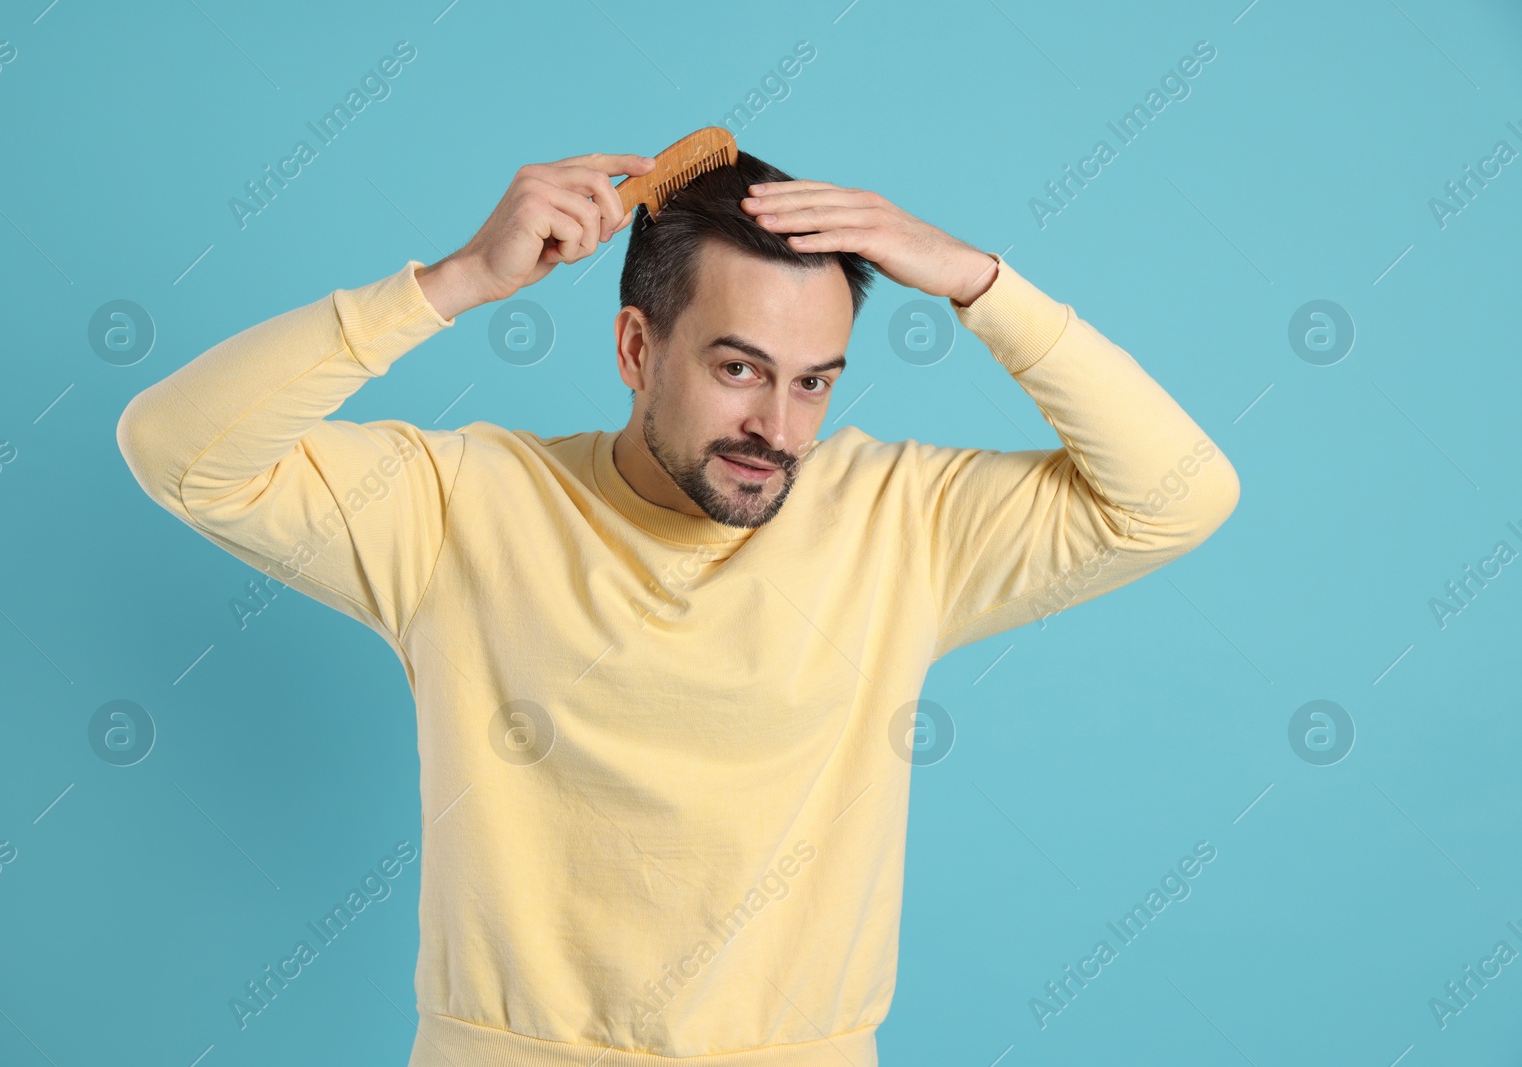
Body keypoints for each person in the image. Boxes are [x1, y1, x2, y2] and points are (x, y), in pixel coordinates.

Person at [116, 148, 1239, 1065]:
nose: (779, 428)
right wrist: (454, 282)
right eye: (740, 369)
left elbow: (1179, 495)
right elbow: (179, 451)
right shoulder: (464, 505)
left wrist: (977, 282)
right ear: (635, 346)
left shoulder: (901, 519)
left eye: (814, 381)